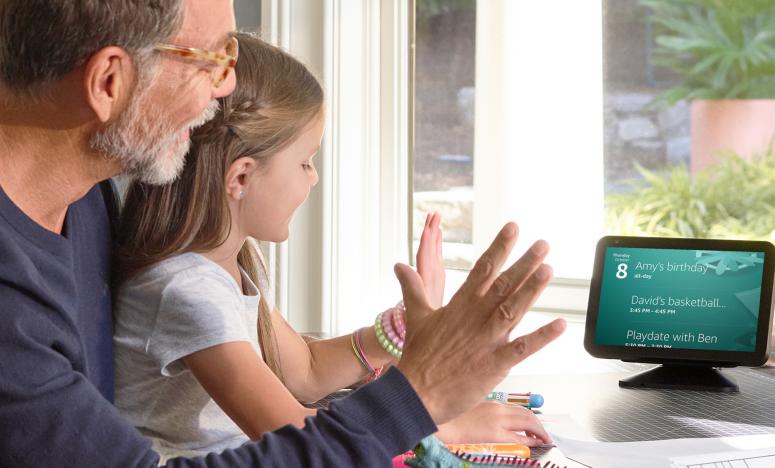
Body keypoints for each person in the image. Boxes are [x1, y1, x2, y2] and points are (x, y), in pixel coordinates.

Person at [0, 0, 566, 466]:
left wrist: (409, 347)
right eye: (214, 61)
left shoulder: (88, 202)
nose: (225, 91)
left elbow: (304, 371)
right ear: (109, 82)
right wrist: (425, 398)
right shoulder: (15, 310)